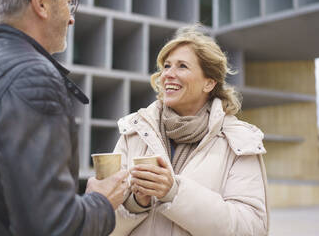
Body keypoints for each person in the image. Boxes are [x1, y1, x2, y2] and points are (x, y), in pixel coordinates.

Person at [0, 0, 129, 235]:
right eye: (69, 3)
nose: (72, 17)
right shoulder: (32, 76)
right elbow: (52, 226)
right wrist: (102, 202)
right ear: (41, 2)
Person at [110, 26, 269, 236]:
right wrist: (136, 203)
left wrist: (174, 192)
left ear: (209, 83)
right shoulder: (133, 132)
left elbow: (250, 229)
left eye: (182, 66)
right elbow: (102, 222)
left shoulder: (240, 141)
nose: (168, 74)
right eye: (166, 66)